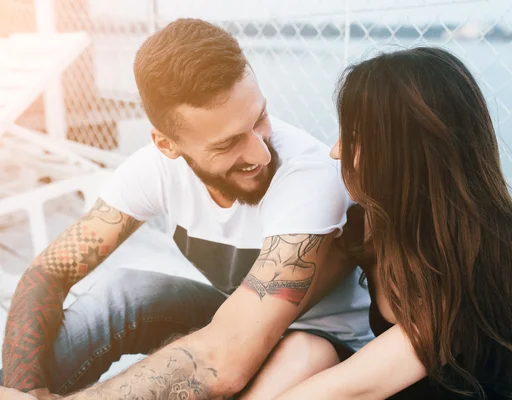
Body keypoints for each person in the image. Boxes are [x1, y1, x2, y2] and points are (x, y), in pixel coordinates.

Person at [0, 18, 372, 399]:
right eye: (227, 144)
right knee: (123, 291)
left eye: (260, 117)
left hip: (329, 345)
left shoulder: (307, 175)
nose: (260, 152)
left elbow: (224, 357)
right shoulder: (154, 169)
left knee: (305, 354)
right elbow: (48, 272)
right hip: (233, 323)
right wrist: (23, 388)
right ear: (167, 145)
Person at [258, 47, 512, 399]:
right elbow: (277, 306)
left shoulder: (482, 259)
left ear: (402, 153)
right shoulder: (374, 223)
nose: (335, 151)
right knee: (302, 349)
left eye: (353, 137)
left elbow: (356, 389)